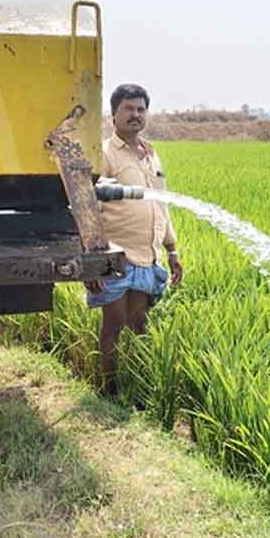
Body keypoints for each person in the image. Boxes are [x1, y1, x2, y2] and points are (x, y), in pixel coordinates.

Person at [85, 83, 183, 397]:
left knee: (138, 323)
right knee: (113, 323)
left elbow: (161, 204)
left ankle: (139, 388)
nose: (135, 115)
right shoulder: (103, 153)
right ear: (114, 115)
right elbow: (87, 208)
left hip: (146, 255)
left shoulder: (151, 154)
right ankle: (109, 391)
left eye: (140, 109)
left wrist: (172, 248)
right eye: (128, 109)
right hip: (115, 257)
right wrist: (92, 263)